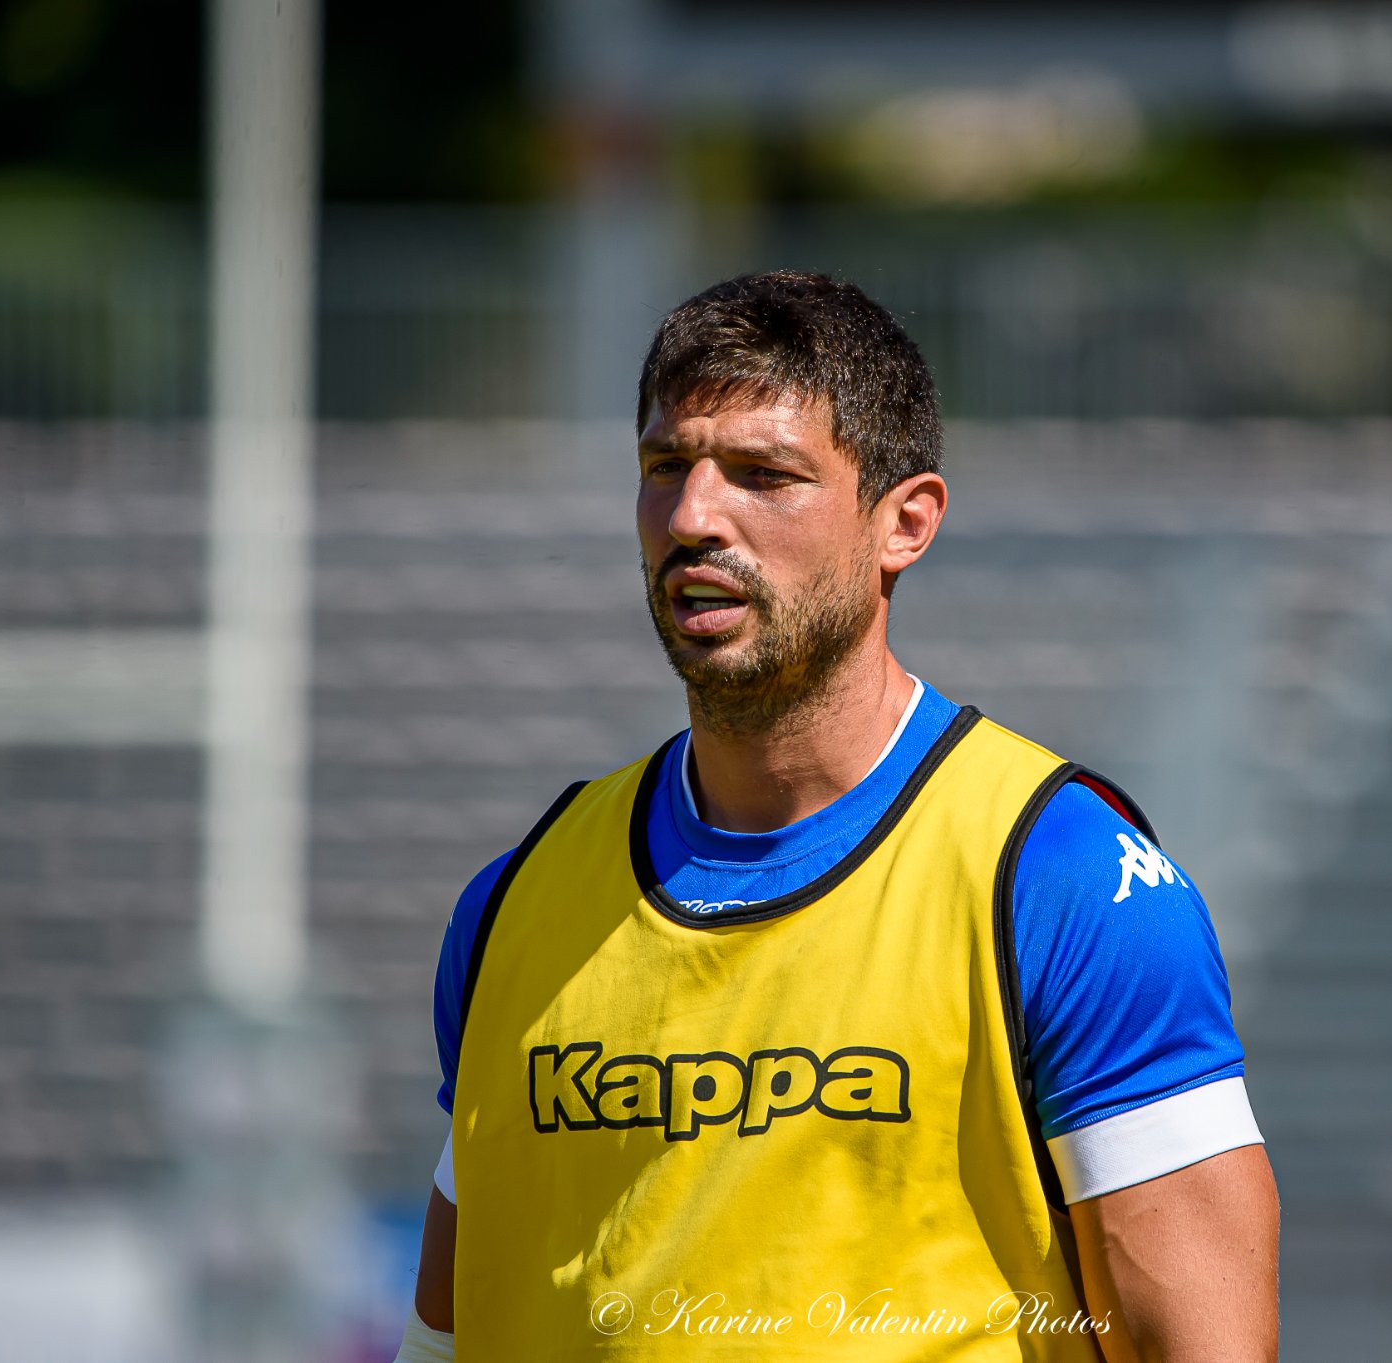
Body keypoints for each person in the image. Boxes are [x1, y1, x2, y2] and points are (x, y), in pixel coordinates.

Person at [395, 270, 1279, 1362]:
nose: (691, 516)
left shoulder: (1061, 880)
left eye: (763, 475)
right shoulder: (514, 905)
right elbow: (444, 1337)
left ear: (902, 523)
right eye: (664, 467)